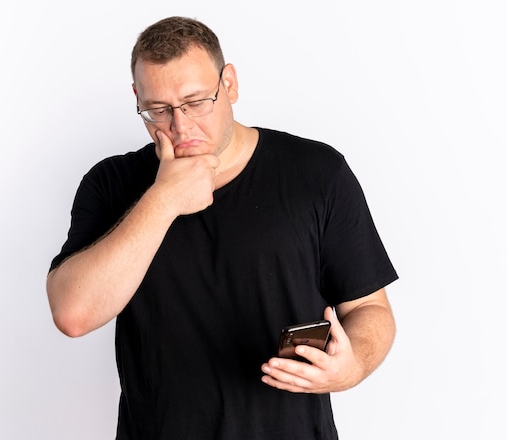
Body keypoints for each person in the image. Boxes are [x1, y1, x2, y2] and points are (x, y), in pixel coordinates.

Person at [46, 16, 398, 440]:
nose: (179, 126)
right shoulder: (111, 183)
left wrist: (352, 365)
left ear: (228, 84)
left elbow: (369, 309)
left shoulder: (317, 172)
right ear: (137, 97)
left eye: (196, 102)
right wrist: (163, 199)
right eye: (157, 110)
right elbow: (73, 314)